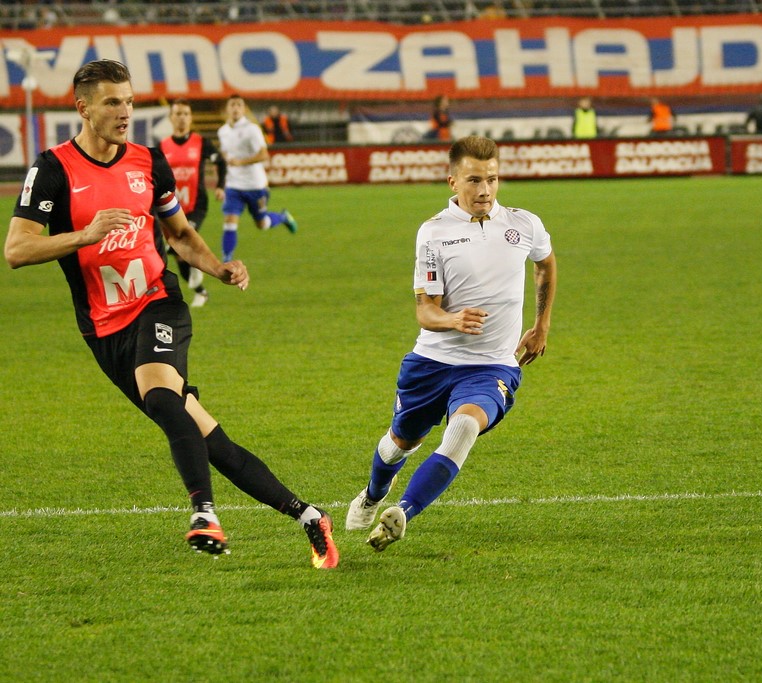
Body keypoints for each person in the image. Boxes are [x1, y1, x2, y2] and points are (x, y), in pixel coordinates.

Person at [4, 60, 338, 569]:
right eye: (113, 102)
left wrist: (218, 267)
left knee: (162, 394)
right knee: (207, 436)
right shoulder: (52, 169)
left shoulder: (147, 162)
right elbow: (17, 249)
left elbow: (179, 234)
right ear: (83, 107)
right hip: (103, 329)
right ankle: (309, 516)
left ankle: (204, 515)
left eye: (130, 101)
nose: (125, 112)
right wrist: (85, 235)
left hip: (159, 301)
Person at [345, 135, 557, 552]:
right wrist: (452, 319)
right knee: (399, 444)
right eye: (474, 180)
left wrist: (541, 324)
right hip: (433, 362)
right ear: (452, 181)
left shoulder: (523, 224)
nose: (485, 190)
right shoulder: (433, 233)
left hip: (492, 364)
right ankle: (373, 495)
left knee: (464, 426)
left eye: (492, 180)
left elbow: (545, 265)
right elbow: (425, 310)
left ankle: (402, 512)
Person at [160, 98, 226, 309]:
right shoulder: (162, 146)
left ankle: (198, 277)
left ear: (191, 117)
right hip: (171, 209)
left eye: (186, 114)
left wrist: (220, 185)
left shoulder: (200, 142)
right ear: (171, 118)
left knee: (182, 242)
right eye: (178, 113)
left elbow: (220, 161)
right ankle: (200, 291)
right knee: (180, 254)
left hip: (197, 206)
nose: (182, 118)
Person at [217, 94, 297, 262]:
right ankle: (226, 259)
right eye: (232, 104)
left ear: (244, 109)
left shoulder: (252, 129)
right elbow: (225, 153)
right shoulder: (222, 132)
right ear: (227, 109)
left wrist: (240, 162)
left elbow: (264, 155)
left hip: (255, 185)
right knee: (229, 222)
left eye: (239, 104)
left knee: (262, 224)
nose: (236, 108)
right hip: (233, 186)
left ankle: (283, 217)